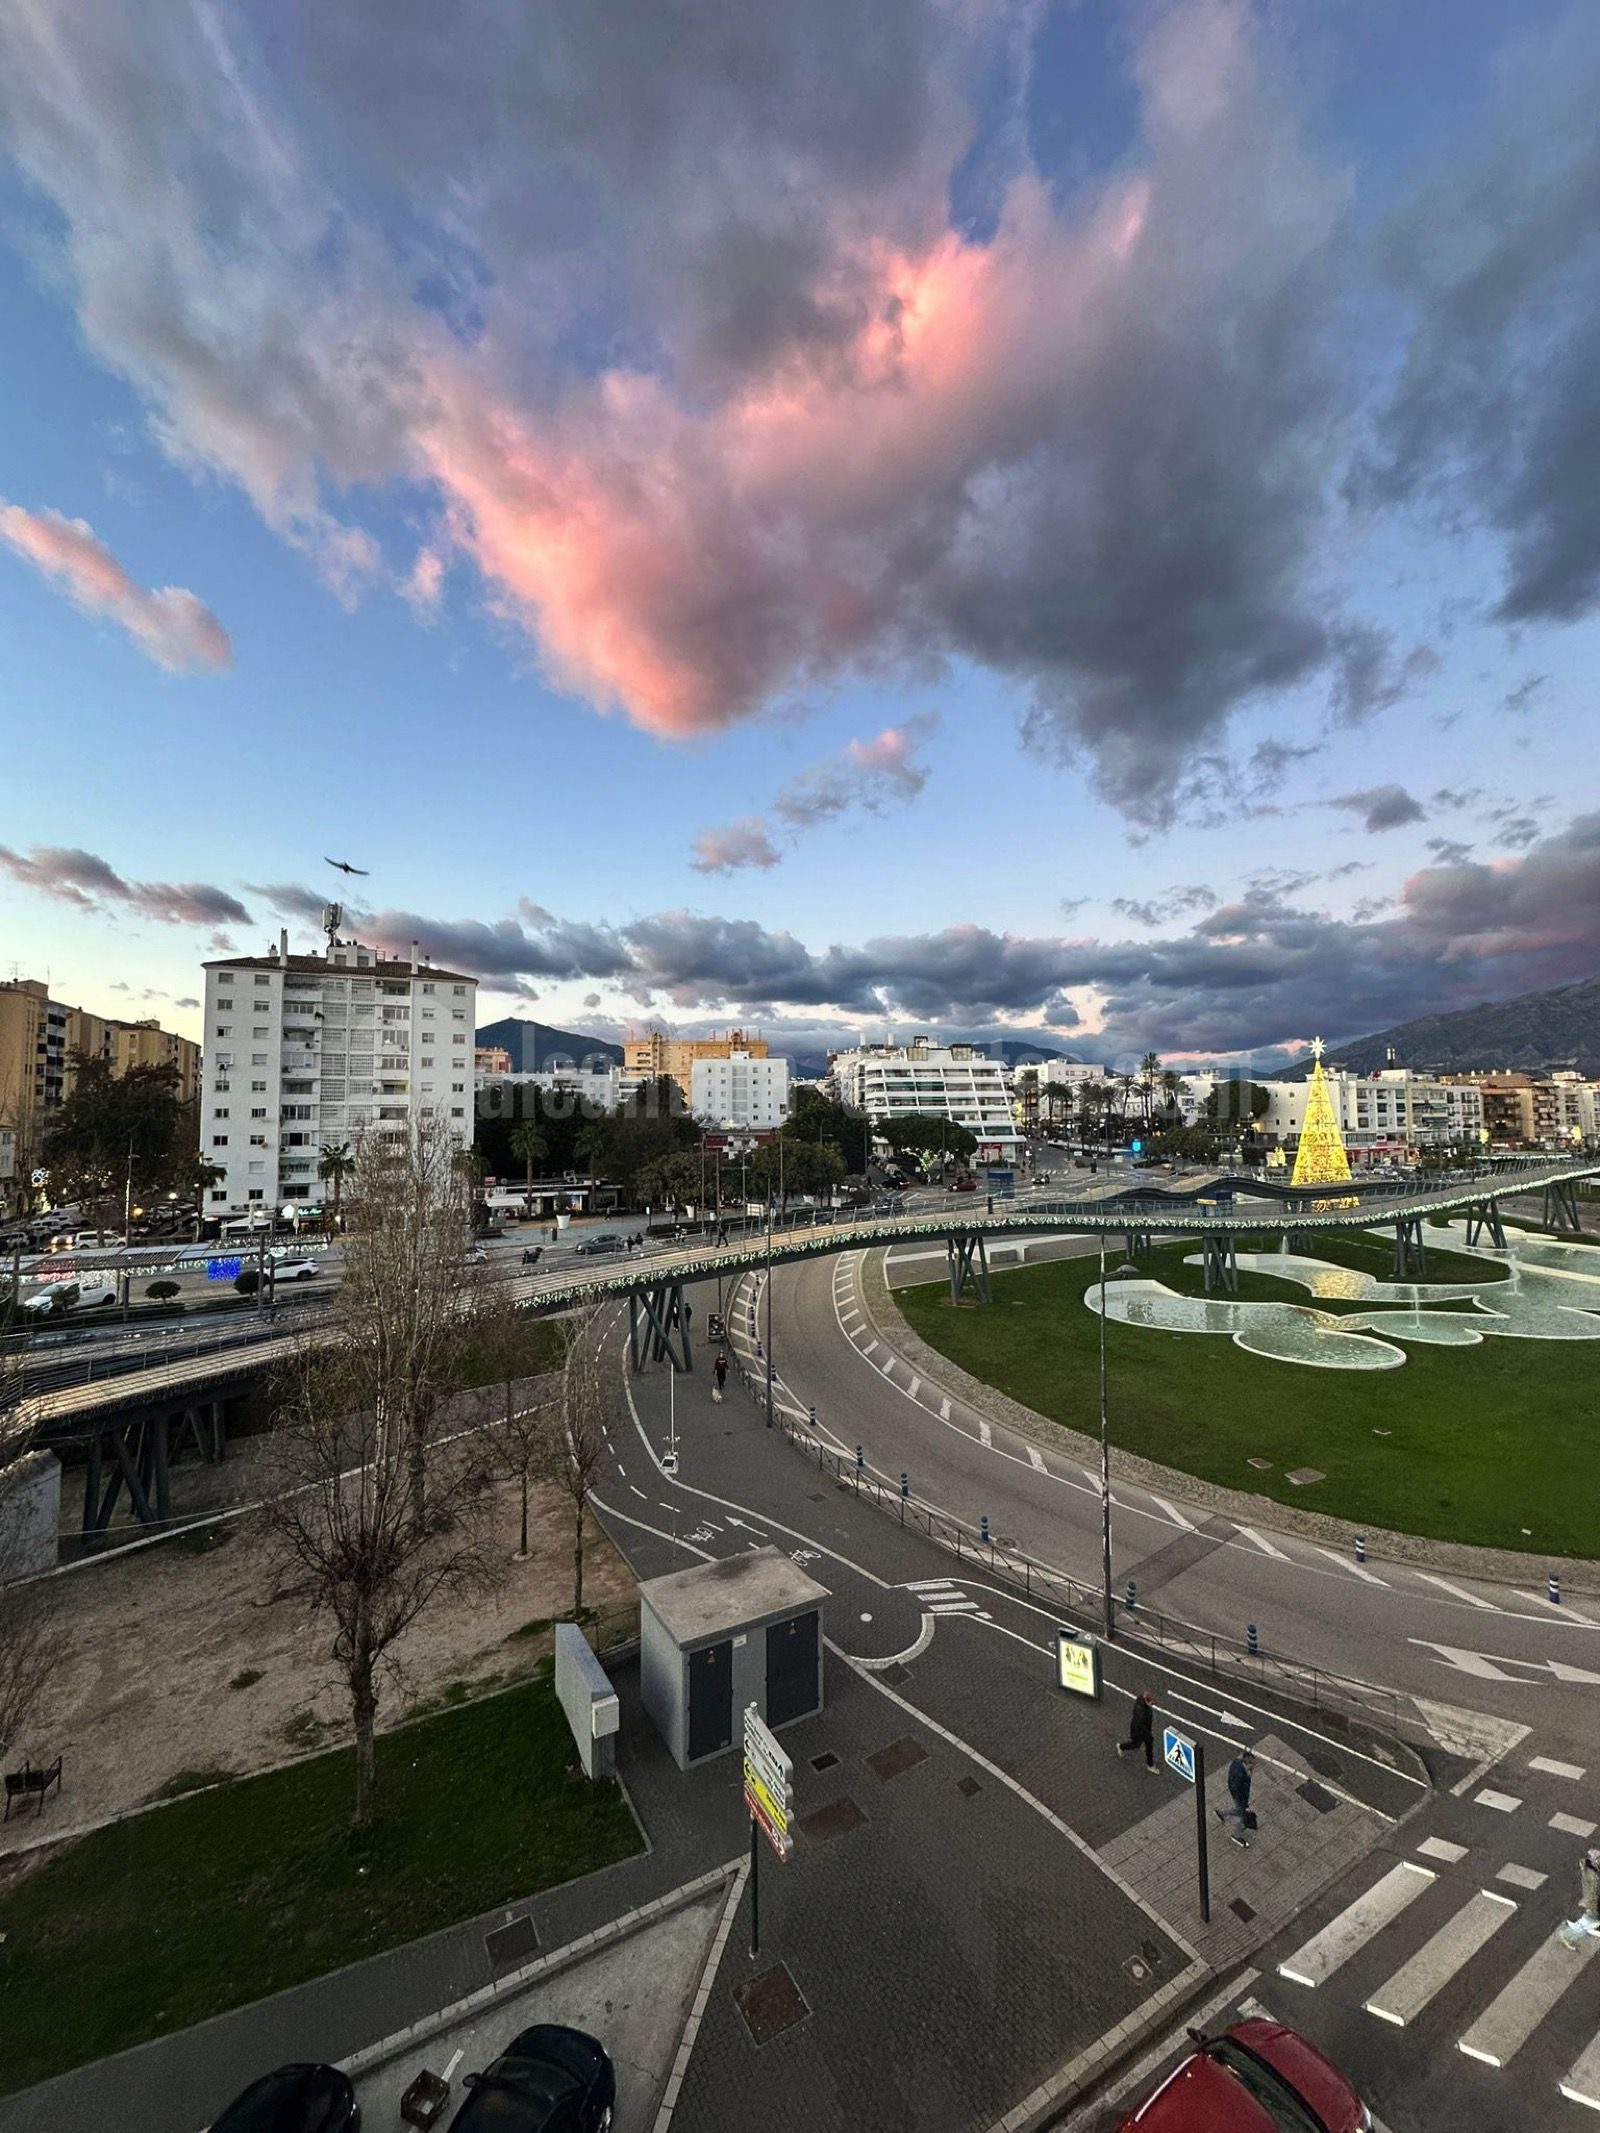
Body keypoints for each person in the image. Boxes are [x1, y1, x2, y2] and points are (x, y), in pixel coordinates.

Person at [1558, 1846, 1600, 1947]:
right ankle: (1567, 1935)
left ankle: (1568, 1933)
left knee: (1591, 1920)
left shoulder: (1593, 1875)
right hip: (1588, 1910)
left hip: (1589, 1907)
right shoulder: (1594, 1877)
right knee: (1590, 1921)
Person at [1216, 1751, 1256, 1847]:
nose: (1254, 1766)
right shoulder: (1241, 1775)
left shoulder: (1237, 1763)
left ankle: (1221, 1813)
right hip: (1240, 1798)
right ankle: (1236, 1836)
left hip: (1237, 1795)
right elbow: (1239, 1790)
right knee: (1245, 1818)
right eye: (1253, 1764)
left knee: (1238, 1810)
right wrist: (1245, 1805)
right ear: (1247, 1762)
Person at [1116, 1689, 1157, 1770]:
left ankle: (1150, 1764)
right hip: (1139, 1732)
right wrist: (1148, 1735)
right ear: (1147, 1701)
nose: (1152, 1705)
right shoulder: (1142, 1711)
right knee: (1137, 1744)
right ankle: (1121, 1747)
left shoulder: (1141, 1704)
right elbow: (1141, 1726)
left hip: (1141, 1730)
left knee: (1147, 1746)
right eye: (1151, 1703)